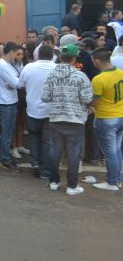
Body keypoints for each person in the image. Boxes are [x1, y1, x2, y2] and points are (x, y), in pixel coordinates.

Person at [41, 44, 92, 196]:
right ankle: (71, 186)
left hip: (56, 118)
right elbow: (87, 98)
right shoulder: (80, 76)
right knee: (73, 153)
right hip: (75, 119)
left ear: (60, 58)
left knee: (55, 151)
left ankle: (53, 182)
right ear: (74, 59)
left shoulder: (50, 75)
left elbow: (45, 97)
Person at [18, 45, 55, 180]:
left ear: (38, 55)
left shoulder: (28, 68)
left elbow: (20, 84)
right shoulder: (57, 68)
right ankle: (45, 171)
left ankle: (35, 164)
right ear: (52, 56)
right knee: (47, 142)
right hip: (50, 111)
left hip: (33, 110)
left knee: (34, 137)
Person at [90, 48, 123, 192]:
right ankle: (117, 179)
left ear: (97, 61)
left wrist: (88, 103)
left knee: (110, 153)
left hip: (106, 117)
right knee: (116, 150)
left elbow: (95, 102)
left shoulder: (98, 79)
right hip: (121, 116)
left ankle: (112, 182)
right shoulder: (121, 73)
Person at [0, 42, 22, 172]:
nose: (16, 57)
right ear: (10, 52)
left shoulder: (7, 65)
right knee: (7, 134)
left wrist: (15, 82)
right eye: (15, 54)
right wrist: (15, 83)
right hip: (6, 104)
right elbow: (17, 83)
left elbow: (17, 80)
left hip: (9, 102)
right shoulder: (3, 65)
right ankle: (5, 159)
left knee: (8, 133)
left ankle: (6, 157)